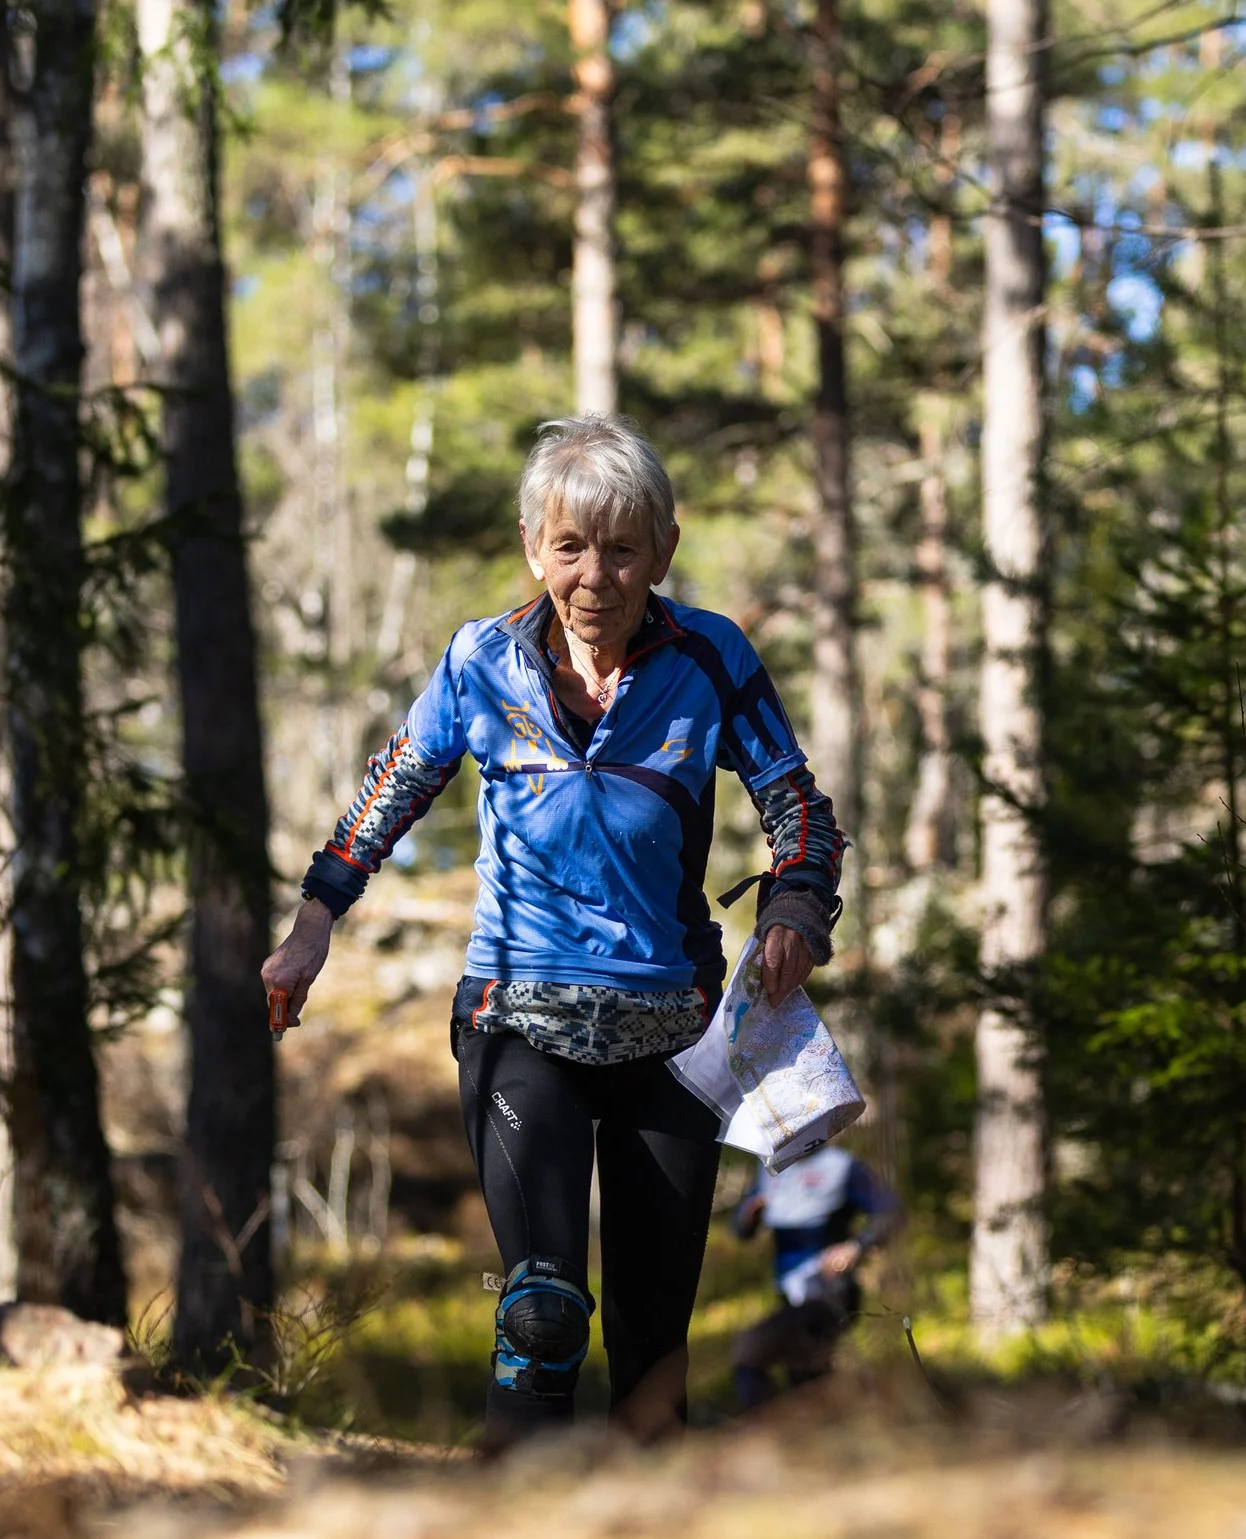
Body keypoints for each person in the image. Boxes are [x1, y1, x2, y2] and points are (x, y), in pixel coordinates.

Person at [260, 415, 845, 1450]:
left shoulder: (710, 658)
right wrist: (313, 926)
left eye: (623, 548)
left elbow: (794, 801)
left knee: (653, 1347)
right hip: (516, 1011)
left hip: (676, 1029)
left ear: (663, 548)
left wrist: (795, 906)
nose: (596, 574)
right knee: (542, 1308)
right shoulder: (479, 660)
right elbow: (388, 794)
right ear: (533, 546)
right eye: (571, 546)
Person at [728, 1145, 899, 1409]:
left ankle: (765, 1433)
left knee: (750, 1350)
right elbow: (741, 1229)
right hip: (789, 1292)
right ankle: (824, 1432)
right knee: (805, 1375)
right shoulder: (771, 1168)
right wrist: (748, 1215)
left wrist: (856, 1246)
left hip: (831, 1292)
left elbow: (891, 1212)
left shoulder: (842, 1166)